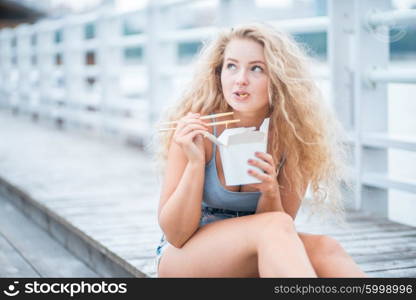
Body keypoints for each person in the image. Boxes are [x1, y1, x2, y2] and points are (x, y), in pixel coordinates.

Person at [154, 22, 366, 277]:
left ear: (278, 78)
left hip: (250, 253)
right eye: (231, 66)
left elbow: (280, 229)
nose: (240, 80)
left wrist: (270, 192)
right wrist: (195, 164)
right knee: (274, 227)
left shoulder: (294, 139)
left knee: (326, 248)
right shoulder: (197, 131)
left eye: (256, 69)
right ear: (219, 73)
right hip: (186, 256)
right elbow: (176, 235)